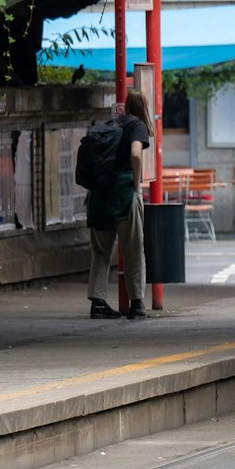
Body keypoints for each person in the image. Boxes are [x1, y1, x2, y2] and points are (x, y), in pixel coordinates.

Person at [86, 90, 152, 320]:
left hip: (99, 196)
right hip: (123, 196)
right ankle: (137, 303)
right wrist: (137, 186)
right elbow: (136, 154)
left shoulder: (111, 124)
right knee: (133, 249)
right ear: (143, 106)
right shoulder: (137, 126)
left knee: (101, 252)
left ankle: (98, 302)